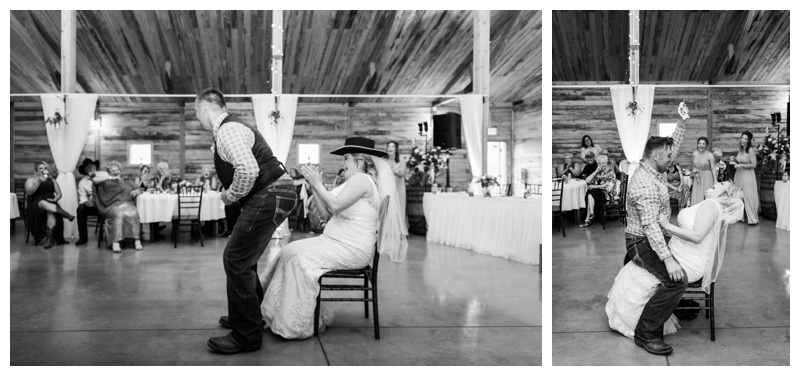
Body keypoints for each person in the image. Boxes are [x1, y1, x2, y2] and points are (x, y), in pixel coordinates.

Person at [257, 136, 408, 339]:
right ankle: (267, 310)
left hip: (351, 248)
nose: (342, 163)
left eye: (345, 158)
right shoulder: (352, 181)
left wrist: (318, 184)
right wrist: (314, 187)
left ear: (360, 161)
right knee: (288, 251)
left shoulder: (362, 180)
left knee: (297, 257)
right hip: (335, 241)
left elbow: (335, 205)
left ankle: (294, 321)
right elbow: (327, 213)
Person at [195, 88, 297, 355]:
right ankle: (248, 315)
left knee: (235, 258)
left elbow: (249, 170)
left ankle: (247, 334)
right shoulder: (227, 130)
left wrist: (230, 196)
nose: (198, 119)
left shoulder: (228, 130)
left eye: (197, 113)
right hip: (275, 192)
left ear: (205, 107)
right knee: (244, 258)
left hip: (270, 192)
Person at [606, 182, 744, 338]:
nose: (716, 182)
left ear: (724, 195)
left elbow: (697, 237)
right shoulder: (714, 206)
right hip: (682, 253)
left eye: (721, 184)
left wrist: (666, 224)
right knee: (635, 267)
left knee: (638, 273)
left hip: (687, 261)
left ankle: (643, 327)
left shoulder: (710, 205)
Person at [623, 112, 686, 355]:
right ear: (656, 156)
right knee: (676, 281)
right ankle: (646, 334)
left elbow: (672, 147)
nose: (672, 158)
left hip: (653, 236)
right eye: (668, 156)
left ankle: (672, 307)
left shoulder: (654, 167)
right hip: (640, 242)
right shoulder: (644, 184)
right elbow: (650, 226)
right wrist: (667, 259)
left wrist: (682, 123)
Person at [93, 161, 144, 253]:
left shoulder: (126, 180)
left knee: (134, 213)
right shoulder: (105, 181)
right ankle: (115, 242)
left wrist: (136, 192)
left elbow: (139, 189)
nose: (116, 172)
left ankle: (137, 240)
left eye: (117, 170)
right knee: (119, 214)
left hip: (128, 204)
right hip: (110, 206)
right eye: (113, 170)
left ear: (120, 170)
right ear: (109, 172)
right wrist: (111, 177)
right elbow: (94, 180)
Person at [24, 161, 74, 248]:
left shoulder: (52, 181)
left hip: (51, 202)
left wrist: (55, 199)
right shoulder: (31, 180)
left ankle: (49, 239)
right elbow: (29, 192)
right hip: (36, 203)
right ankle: (64, 213)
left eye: (45, 168)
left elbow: (59, 194)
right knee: (42, 202)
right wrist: (39, 181)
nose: (43, 169)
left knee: (51, 214)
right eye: (41, 168)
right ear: (36, 170)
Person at [76, 158, 107, 246]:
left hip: (106, 203)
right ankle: (83, 237)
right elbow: (82, 197)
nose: (90, 168)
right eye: (87, 167)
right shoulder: (82, 182)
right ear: (84, 170)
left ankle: (111, 236)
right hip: (93, 205)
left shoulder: (104, 175)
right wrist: (86, 202)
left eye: (92, 166)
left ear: (95, 166)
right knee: (80, 209)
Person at [579, 155, 616, 228]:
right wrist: (596, 171)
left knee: (592, 191)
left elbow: (608, 187)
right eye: (599, 163)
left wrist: (595, 186)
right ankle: (592, 213)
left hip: (606, 195)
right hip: (597, 194)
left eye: (603, 163)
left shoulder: (611, 172)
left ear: (606, 163)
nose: (601, 165)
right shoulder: (598, 172)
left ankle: (588, 218)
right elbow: (587, 180)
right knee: (591, 191)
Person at [733, 131, 760, 225]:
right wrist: (734, 160)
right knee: (738, 195)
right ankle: (739, 216)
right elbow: (741, 160)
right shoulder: (740, 149)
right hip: (739, 174)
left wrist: (741, 165)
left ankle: (752, 218)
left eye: (745, 139)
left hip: (747, 175)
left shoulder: (750, 150)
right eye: (742, 138)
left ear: (749, 141)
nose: (743, 140)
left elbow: (754, 164)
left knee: (748, 195)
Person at [386, 141, 407, 224]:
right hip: (388, 187)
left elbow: (402, 174)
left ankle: (399, 229)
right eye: (389, 146)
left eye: (393, 146)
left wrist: (393, 172)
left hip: (399, 187)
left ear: (396, 149)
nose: (390, 148)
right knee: (389, 207)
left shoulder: (401, 160)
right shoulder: (384, 160)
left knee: (399, 207)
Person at [691, 137, 716, 205]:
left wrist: (715, 181)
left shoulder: (710, 155)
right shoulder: (694, 154)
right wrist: (694, 169)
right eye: (700, 143)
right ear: (697, 144)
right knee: (697, 195)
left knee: (706, 195)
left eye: (703, 144)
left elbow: (713, 168)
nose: (701, 145)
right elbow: (693, 164)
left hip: (707, 177)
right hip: (698, 178)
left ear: (706, 145)